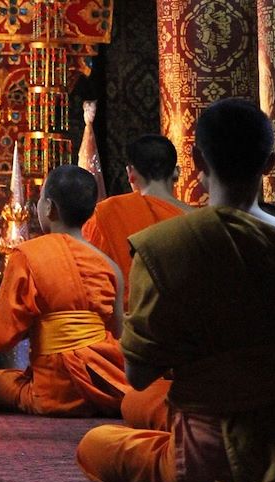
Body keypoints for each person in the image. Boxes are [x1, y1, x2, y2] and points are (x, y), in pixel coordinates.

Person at [76, 98, 275, 482]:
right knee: (141, 407)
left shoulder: (167, 245)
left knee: (97, 443)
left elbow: (138, 375)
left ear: (196, 158)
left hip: (207, 455)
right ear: (270, 164)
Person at [0, 165, 129, 416]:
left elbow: (4, 336)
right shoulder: (109, 265)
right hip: (104, 379)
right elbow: (119, 332)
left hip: (52, 390)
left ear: (49, 207)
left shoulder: (28, 255)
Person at [82, 134, 192, 431]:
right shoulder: (200, 220)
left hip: (130, 346)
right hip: (189, 350)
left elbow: (92, 285)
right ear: (177, 172)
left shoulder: (106, 213)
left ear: (130, 173)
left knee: (87, 354)